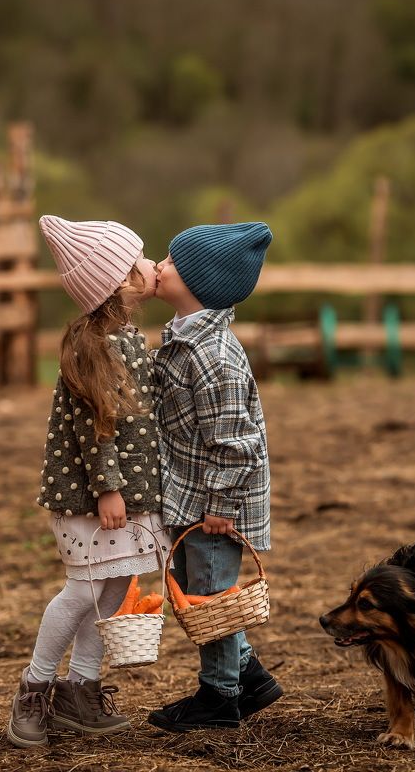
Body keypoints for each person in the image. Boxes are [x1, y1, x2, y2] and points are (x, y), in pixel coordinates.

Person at [7, 217, 169, 748]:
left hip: (129, 493)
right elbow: (95, 425)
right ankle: (34, 688)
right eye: (141, 258)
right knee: (81, 592)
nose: (151, 265)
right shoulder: (89, 344)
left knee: (117, 586)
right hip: (94, 497)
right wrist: (107, 488)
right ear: (121, 280)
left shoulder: (127, 338)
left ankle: (82, 689)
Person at [147, 222, 282, 732]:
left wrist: (221, 506)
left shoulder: (215, 357)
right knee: (197, 589)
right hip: (192, 493)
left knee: (210, 595)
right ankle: (249, 674)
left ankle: (220, 697)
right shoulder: (185, 338)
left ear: (200, 283)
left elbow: (236, 442)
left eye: (170, 261)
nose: (159, 266)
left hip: (216, 504)